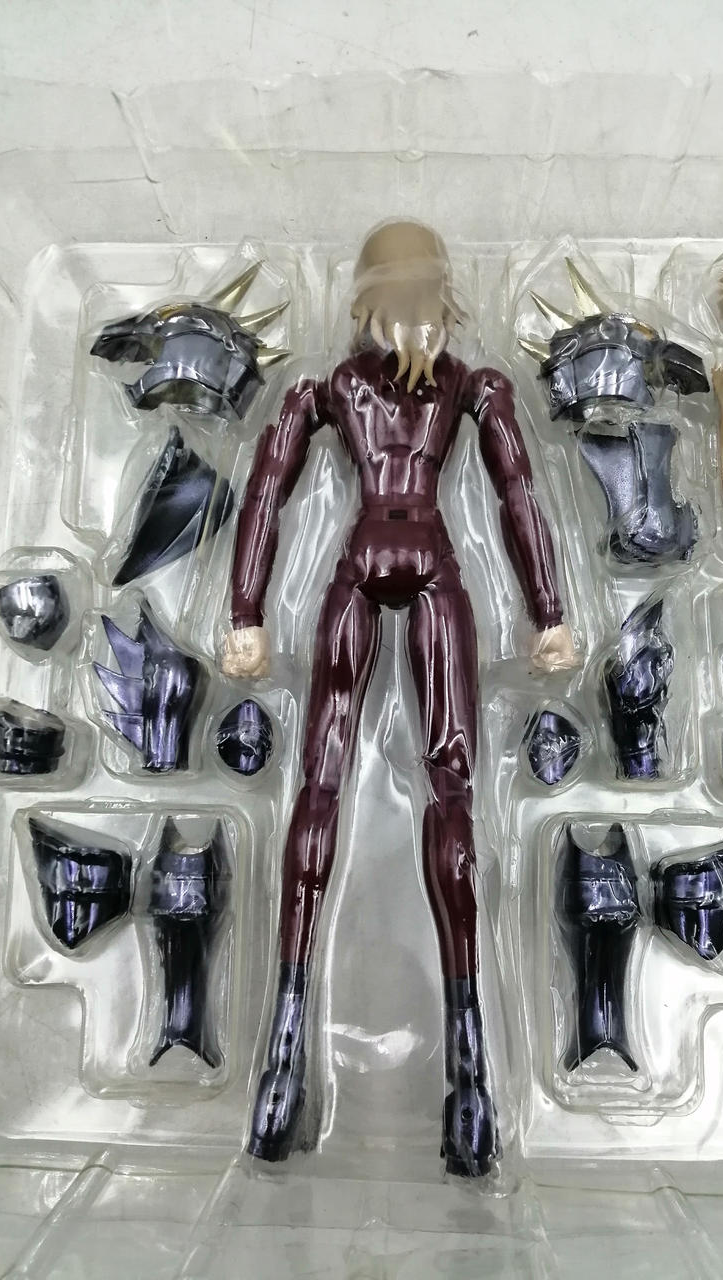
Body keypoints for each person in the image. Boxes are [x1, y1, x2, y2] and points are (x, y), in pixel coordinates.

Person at [222, 219, 578, 1176]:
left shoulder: (452, 386)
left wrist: (550, 608)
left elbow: (518, 492)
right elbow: (268, 490)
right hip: (402, 565)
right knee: (342, 783)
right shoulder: (348, 388)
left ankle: (456, 1052)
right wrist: (244, 612)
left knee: (412, 786)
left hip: (402, 568)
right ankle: (300, 1036)